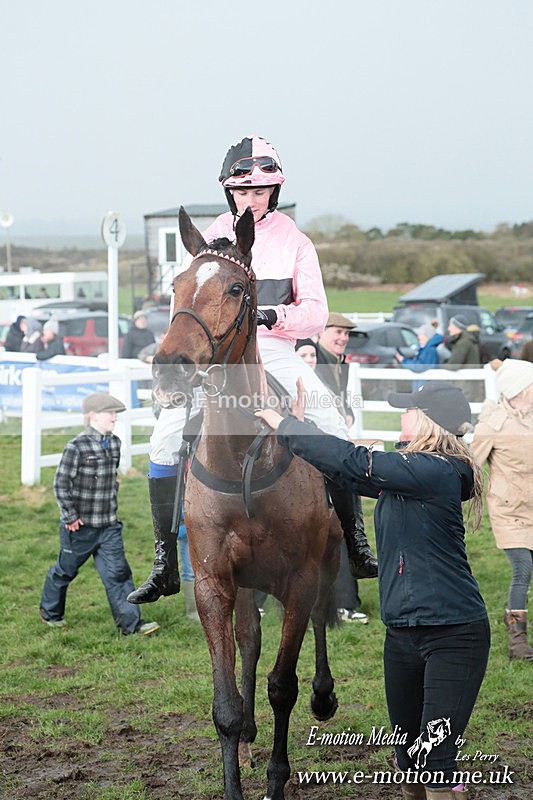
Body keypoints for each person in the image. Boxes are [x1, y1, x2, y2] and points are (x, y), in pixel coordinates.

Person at [128, 134, 377, 605]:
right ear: (230, 193)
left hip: (275, 347)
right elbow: (189, 298)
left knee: (333, 426)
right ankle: (164, 562)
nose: (251, 199)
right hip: (218, 353)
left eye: (260, 191)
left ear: (274, 192)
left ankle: (356, 543)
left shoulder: (295, 241)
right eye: (243, 191)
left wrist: (270, 316)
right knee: (163, 441)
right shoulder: (212, 235)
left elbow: (316, 314)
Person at [256, 380, 489, 798]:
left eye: (409, 409)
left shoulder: (434, 471)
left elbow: (353, 461)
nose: (403, 415)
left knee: (436, 761)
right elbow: (342, 468)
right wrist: (300, 427)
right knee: (408, 757)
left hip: (453, 634)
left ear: (428, 421)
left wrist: (284, 424)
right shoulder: (410, 474)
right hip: (402, 634)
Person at [39, 392, 159, 636]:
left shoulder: (114, 443)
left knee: (119, 573)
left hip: (109, 526)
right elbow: (61, 484)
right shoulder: (76, 447)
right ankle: (50, 612)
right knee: (65, 570)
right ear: (92, 415)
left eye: (116, 413)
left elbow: (111, 478)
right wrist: (70, 516)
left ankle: (131, 625)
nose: (115, 417)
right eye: (110, 413)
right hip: (80, 527)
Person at [471, 359, 533, 661]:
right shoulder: (492, 425)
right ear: (522, 389)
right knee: (523, 568)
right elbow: (471, 465)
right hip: (510, 512)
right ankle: (517, 640)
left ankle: (513, 615)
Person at [315, 312, 370, 624]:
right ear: (320, 332)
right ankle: (343, 602)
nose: (343, 338)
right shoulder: (313, 360)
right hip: (319, 452)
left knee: (345, 520)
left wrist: (346, 413)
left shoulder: (339, 363)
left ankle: (345, 600)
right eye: (337, 332)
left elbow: (341, 404)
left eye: (346, 334)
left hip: (335, 448)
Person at [395, 322, 444, 389]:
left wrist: (403, 360)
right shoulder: (425, 349)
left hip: (425, 389)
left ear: (427, 336)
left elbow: (419, 367)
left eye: (421, 334)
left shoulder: (430, 351)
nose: (418, 337)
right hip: (423, 387)